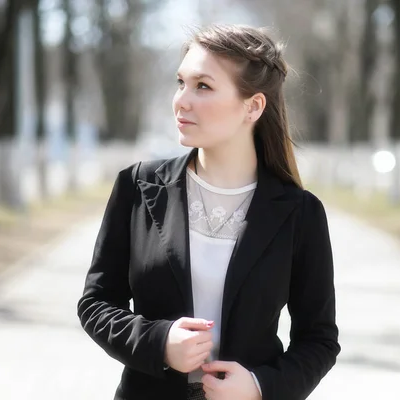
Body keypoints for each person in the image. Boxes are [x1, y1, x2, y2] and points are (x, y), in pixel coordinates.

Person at [77, 24, 340, 400]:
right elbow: (96, 303)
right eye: (181, 82)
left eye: (203, 86)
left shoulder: (300, 213)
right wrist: (160, 341)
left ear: (253, 106)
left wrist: (259, 386)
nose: (182, 100)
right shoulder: (138, 187)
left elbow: (319, 339)